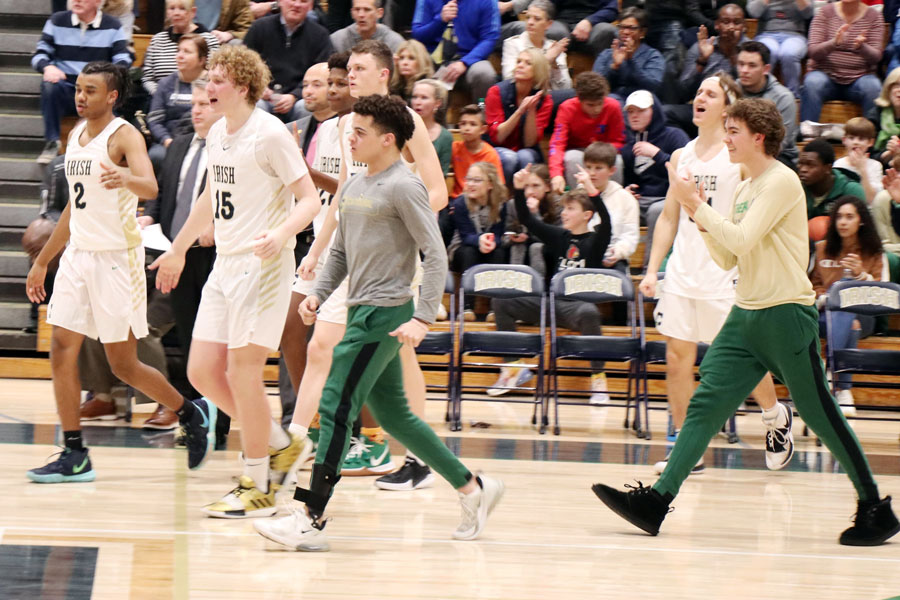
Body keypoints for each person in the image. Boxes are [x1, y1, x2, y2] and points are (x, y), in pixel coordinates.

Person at [592, 97, 900, 548]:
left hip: (786, 314)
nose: (726, 138)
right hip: (746, 312)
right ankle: (656, 501)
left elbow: (739, 235)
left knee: (819, 412)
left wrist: (696, 205)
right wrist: (698, 218)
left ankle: (874, 505)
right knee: (705, 404)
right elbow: (727, 254)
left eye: (733, 131)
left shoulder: (781, 182)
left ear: (758, 137)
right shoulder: (743, 185)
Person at [254, 95, 505, 551]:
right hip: (358, 310)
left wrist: (424, 317)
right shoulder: (353, 187)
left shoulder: (404, 187)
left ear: (388, 140)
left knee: (334, 405)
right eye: (351, 130)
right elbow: (342, 254)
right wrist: (317, 295)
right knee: (397, 417)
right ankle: (472, 488)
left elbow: (434, 256)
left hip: (385, 314)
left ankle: (310, 517)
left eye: (360, 132)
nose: (350, 137)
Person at [24, 62, 217, 482]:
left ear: (112, 96)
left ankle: (190, 411)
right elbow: (76, 206)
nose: (80, 96)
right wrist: (43, 260)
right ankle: (74, 452)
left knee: (123, 365)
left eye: (90, 90)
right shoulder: (75, 134)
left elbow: (150, 186)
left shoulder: (124, 134)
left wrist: (124, 175)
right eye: (78, 89)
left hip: (116, 258)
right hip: (79, 254)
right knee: (60, 346)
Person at [150, 45, 321, 517]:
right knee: (201, 370)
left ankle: (259, 482)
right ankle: (280, 443)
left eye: (218, 80)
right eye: (209, 79)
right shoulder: (221, 133)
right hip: (225, 264)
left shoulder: (269, 134)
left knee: (242, 372)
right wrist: (178, 249)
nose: (208, 87)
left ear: (243, 87)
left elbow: (309, 200)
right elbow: (209, 196)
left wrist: (282, 232)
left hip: (263, 265)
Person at [285, 39, 450, 490]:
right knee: (324, 347)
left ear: (384, 73)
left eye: (358, 68)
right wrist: (318, 250)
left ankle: (416, 459)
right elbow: (344, 195)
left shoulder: (405, 120)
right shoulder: (348, 126)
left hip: (394, 252)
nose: (349, 76)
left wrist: (403, 228)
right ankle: (301, 444)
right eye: (348, 68)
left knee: (398, 353)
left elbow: (438, 190)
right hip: (352, 248)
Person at [640, 76, 792, 474]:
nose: (698, 98)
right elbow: (669, 217)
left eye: (710, 93)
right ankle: (685, 450)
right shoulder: (681, 156)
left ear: (727, 108)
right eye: (698, 92)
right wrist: (653, 268)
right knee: (676, 359)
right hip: (684, 269)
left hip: (724, 269)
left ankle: (775, 415)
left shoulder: (737, 157)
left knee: (742, 360)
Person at [139, 76, 222, 430]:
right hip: (173, 250)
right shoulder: (178, 144)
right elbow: (162, 191)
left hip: (213, 255)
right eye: (194, 105)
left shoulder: (230, 148)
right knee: (188, 337)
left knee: (215, 340)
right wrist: (149, 216)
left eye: (205, 105)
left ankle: (219, 419)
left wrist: (216, 228)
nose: (198, 111)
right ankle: (193, 413)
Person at [489, 163, 612, 399]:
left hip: (577, 307)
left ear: (586, 215)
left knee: (589, 312)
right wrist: (518, 188)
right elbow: (527, 218)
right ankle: (514, 368)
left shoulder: (596, 241)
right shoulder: (559, 236)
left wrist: (590, 188)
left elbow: (606, 221)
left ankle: (598, 381)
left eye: (570, 209)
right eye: (564, 208)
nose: (564, 213)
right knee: (502, 302)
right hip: (550, 303)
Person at [810, 196, 884, 416]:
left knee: (848, 305)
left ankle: (828, 371)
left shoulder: (873, 252)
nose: (843, 222)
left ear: (861, 221)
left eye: (849, 217)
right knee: (845, 315)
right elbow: (812, 286)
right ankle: (843, 390)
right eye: (839, 217)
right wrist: (826, 297)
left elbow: (883, 296)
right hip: (826, 314)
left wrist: (862, 275)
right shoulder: (822, 248)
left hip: (865, 314)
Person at [32, 0, 132, 164]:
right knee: (49, 86)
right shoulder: (56, 21)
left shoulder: (113, 25)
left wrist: (103, 76)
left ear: (98, 2)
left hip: (95, 92)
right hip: (66, 88)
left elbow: (124, 61)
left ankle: (93, 125)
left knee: (113, 86)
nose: (76, 1)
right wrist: (47, 67)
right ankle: (52, 142)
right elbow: (38, 56)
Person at [244, 0, 334, 123]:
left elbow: (324, 73)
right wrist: (259, 87)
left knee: (305, 107)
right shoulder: (259, 28)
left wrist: (295, 96)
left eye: (303, 1)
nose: (296, 5)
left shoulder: (320, 35)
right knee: (256, 105)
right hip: (263, 95)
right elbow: (243, 65)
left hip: (299, 98)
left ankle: (303, 141)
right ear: (280, 2)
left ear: (310, 6)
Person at [665, 4, 746, 135]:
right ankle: (689, 151)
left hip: (736, 112)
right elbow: (683, 91)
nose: (731, 27)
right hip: (704, 107)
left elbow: (749, 90)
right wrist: (702, 60)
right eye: (726, 22)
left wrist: (733, 55)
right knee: (666, 113)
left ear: (743, 26)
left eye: (736, 23)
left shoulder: (750, 50)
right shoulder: (701, 48)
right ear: (717, 25)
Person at [799, 0, 884, 123]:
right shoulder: (824, 12)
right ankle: (808, 136)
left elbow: (876, 57)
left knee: (873, 87)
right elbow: (813, 52)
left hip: (860, 78)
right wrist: (834, 43)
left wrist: (862, 47)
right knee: (812, 83)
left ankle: (871, 137)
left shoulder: (874, 16)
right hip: (825, 75)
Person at [485, 48, 554, 185]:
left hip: (526, 150)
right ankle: (501, 200)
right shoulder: (496, 92)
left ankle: (524, 202)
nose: (520, 65)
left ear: (538, 71)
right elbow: (497, 137)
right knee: (509, 158)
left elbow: (529, 142)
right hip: (497, 148)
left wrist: (532, 110)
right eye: (518, 61)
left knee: (525, 156)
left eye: (528, 63)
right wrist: (520, 111)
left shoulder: (545, 101)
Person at [548, 71, 625, 194]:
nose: (597, 109)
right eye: (590, 105)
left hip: (604, 151)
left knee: (618, 160)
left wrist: (600, 152)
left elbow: (618, 141)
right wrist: (556, 174)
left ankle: (614, 198)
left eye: (600, 103)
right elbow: (557, 144)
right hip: (578, 152)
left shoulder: (613, 106)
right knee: (571, 158)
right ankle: (580, 199)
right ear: (579, 99)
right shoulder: (567, 108)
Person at [412, 0, 500, 104]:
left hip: (470, 59)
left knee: (484, 74)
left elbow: (489, 39)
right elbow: (417, 35)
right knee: (410, 64)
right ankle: (412, 117)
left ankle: (481, 112)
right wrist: (440, 20)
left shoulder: (487, 2)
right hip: (433, 59)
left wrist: (465, 62)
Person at [147, 34, 209, 171]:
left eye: (187, 52)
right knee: (156, 155)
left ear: (202, 60)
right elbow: (155, 120)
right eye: (179, 51)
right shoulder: (165, 83)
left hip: (204, 138)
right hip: (171, 139)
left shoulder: (213, 83)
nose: (179, 56)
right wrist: (167, 140)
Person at [734, 41, 799, 167]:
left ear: (766, 69)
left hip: (778, 157)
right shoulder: (731, 90)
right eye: (741, 64)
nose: (744, 70)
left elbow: (779, 144)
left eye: (752, 65)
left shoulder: (783, 98)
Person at [141, 0, 219, 96]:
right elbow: (148, 78)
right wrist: (160, 95)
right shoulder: (157, 40)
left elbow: (214, 75)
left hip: (199, 97)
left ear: (193, 12)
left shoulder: (209, 39)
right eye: (172, 8)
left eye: (182, 8)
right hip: (161, 98)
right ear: (167, 12)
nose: (176, 13)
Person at [593, 7, 665, 102]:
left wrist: (631, 61)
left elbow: (652, 85)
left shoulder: (653, 55)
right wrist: (614, 66)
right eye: (622, 27)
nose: (626, 32)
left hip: (639, 102)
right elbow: (595, 85)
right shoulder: (607, 53)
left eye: (632, 28)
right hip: (609, 100)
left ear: (642, 32)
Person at [501, 0, 572, 91]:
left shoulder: (554, 48)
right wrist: (545, 60)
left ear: (548, 24)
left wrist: (555, 67)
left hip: (549, 99)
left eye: (537, 19)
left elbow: (566, 88)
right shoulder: (513, 44)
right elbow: (509, 81)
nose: (530, 22)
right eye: (528, 17)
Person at [746, 0, 812, 96]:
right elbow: (754, 12)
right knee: (770, 51)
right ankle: (763, 94)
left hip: (795, 34)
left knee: (789, 53)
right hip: (766, 34)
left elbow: (809, 14)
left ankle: (793, 96)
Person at [502, 162, 557, 276]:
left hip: (547, 249)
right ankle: (515, 284)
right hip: (521, 247)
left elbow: (556, 240)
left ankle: (539, 287)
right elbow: (504, 238)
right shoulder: (513, 204)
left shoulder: (557, 205)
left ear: (547, 187)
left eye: (535, 186)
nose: (529, 192)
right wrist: (512, 238)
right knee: (517, 247)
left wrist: (535, 214)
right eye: (526, 186)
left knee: (536, 247)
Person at [799, 138, 866, 220]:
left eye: (810, 165)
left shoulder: (852, 190)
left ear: (828, 168)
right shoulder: (796, 188)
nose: (803, 169)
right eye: (801, 163)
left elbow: (862, 226)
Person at [450, 104, 505, 198]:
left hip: (481, 200)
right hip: (457, 201)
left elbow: (498, 187)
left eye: (473, 124)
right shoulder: (454, 147)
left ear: (483, 129)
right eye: (463, 124)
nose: (467, 128)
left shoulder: (490, 154)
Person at [834, 117, 884, 204]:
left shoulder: (876, 165)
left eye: (861, 139)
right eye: (851, 138)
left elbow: (871, 200)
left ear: (870, 142)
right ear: (844, 140)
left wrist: (862, 170)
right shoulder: (838, 164)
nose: (855, 142)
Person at [411, 79, 454, 176]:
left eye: (424, 98)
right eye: (414, 97)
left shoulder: (445, 137)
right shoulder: (399, 130)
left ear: (437, 103)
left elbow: (442, 174)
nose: (417, 102)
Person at [331, 0, 405, 52]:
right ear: (352, 13)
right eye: (357, 9)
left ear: (379, 13)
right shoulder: (337, 40)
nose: (361, 15)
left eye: (367, 10)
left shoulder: (394, 42)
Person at [870, 68, 900, 167]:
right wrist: (887, 154)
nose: (899, 90)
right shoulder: (876, 114)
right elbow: (866, 152)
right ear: (888, 89)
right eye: (895, 85)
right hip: (879, 169)